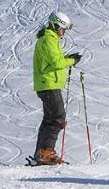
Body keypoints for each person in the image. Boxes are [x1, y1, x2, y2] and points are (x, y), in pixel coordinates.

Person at [29, 11, 80, 165]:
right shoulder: (48, 40)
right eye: (62, 29)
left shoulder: (49, 39)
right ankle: (45, 153)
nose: (63, 33)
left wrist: (67, 58)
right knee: (58, 119)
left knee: (49, 119)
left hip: (47, 84)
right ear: (56, 25)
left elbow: (55, 60)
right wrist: (71, 61)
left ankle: (41, 154)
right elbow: (57, 63)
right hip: (49, 85)